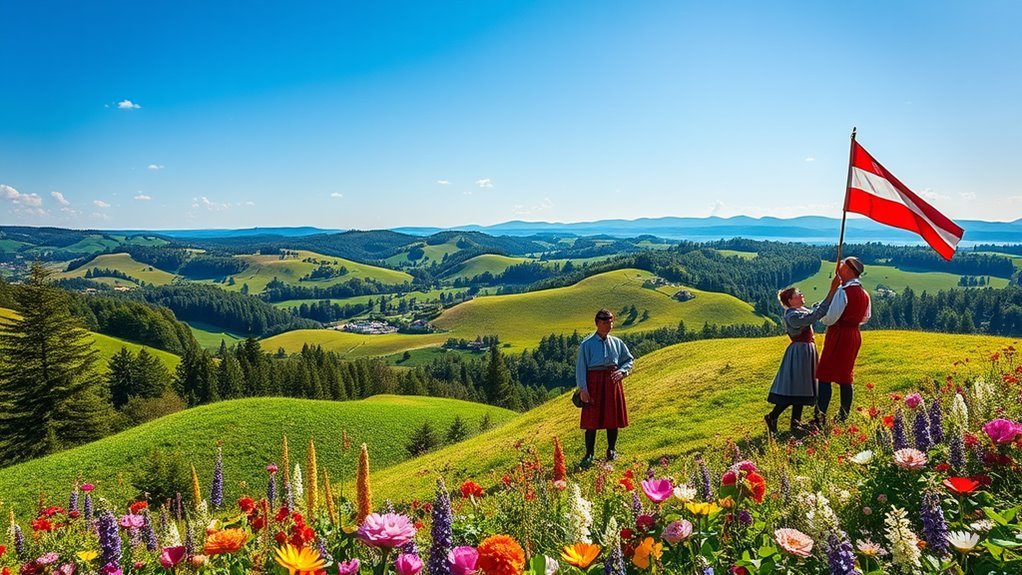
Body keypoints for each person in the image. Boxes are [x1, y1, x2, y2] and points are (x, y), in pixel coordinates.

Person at [765, 275, 841, 435]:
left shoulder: (799, 311)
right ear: (790, 301)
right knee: (796, 387)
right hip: (800, 352)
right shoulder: (792, 315)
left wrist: (833, 291)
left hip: (805, 351)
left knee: (800, 387)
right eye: (797, 294)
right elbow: (815, 315)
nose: (801, 295)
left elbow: (818, 309)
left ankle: (795, 423)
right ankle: (773, 416)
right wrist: (832, 291)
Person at [815, 256, 871, 424]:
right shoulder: (864, 293)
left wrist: (821, 314)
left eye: (843, 264)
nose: (839, 266)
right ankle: (843, 415)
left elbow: (830, 318)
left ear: (849, 270)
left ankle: (820, 417)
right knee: (845, 376)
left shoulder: (843, 291)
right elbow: (866, 317)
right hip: (854, 334)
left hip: (839, 334)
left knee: (825, 375)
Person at [575, 308, 634, 467]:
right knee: (591, 420)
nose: (610, 325)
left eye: (611, 321)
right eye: (606, 322)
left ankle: (611, 449)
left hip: (612, 382)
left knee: (612, 417)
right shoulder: (586, 344)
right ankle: (589, 454)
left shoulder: (617, 342)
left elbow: (629, 360)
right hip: (593, 382)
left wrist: (623, 371)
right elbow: (581, 367)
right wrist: (583, 389)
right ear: (597, 323)